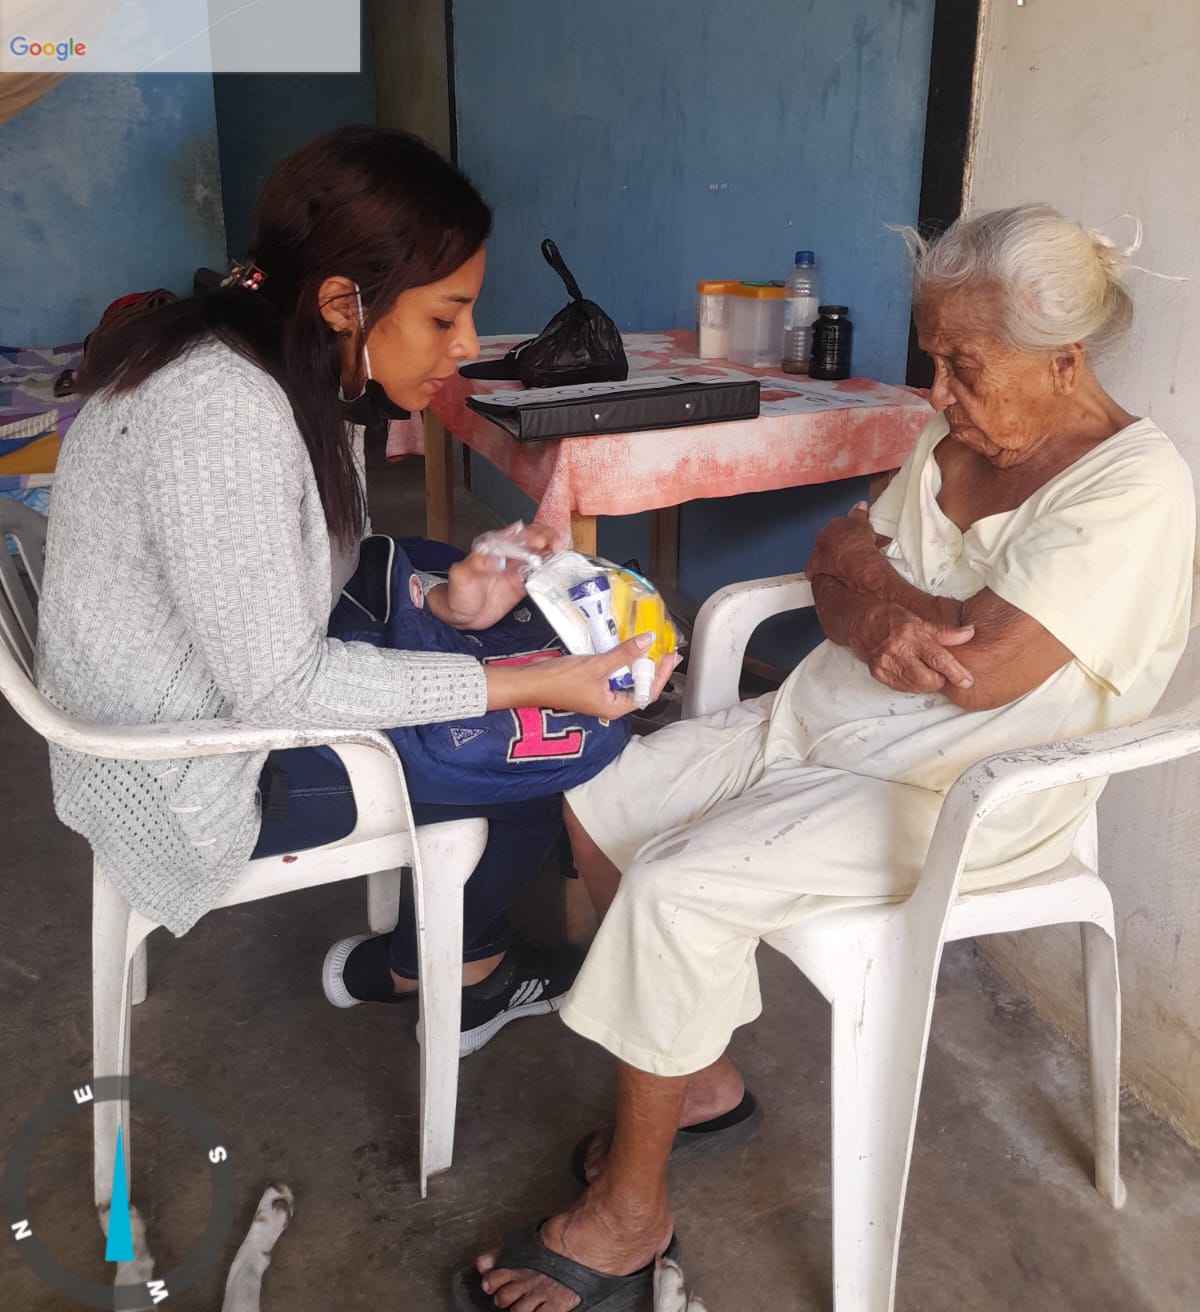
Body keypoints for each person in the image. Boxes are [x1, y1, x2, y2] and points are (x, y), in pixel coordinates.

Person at [454, 203, 1197, 1311]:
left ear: (1065, 358)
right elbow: (831, 564)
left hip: (955, 789)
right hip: (825, 722)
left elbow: (976, 668)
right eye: (933, 360)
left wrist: (873, 586)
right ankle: (699, 1076)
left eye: (963, 365)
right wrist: (882, 604)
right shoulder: (959, 440)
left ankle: (629, 1219)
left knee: (674, 885)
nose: (938, 394)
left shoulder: (1132, 489)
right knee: (598, 787)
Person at [35, 126, 673, 1056]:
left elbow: (304, 569)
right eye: (444, 318)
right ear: (342, 301)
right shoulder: (223, 413)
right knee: (557, 739)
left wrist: (444, 603)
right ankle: (460, 974)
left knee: (487, 626)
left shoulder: (279, 361)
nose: (466, 347)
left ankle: (421, 959)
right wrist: (532, 685)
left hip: (226, 689)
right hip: (190, 767)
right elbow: (281, 689)